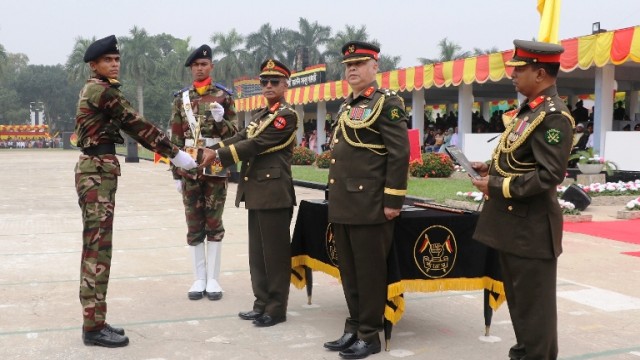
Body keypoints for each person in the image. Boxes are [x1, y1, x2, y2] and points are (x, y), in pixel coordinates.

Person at [74, 35, 198, 348]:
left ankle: (96, 320)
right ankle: (92, 327)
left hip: (97, 170)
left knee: (98, 246)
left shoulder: (99, 89)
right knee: (97, 248)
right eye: (108, 60)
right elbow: (135, 124)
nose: (115, 64)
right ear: (94, 65)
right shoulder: (102, 91)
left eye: (117, 59)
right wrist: (175, 153)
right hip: (97, 172)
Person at [470, 40, 574, 360]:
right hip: (513, 226)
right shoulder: (529, 110)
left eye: (520, 69)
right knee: (521, 307)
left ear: (540, 73)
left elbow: (549, 175)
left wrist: (496, 185)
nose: (513, 75)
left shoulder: (554, 116)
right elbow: (520, 159)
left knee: (535, 313)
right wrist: (489, 167)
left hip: (531, 230)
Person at [323, 41, 409, 359]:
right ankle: (354, 326)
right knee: (349, 270)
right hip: (345, 203)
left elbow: (399, 154)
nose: (353, 69)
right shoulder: (347, 106)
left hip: (371, 204)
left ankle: (369, 335)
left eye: (360, 64)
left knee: (370, 272)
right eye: (348, 65)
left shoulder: (388, 103)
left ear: (375, 67)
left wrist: (393, 201)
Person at [199, 59, 298, 327]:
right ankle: (261, 302)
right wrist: (212, 148)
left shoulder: (286, 116)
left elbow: (256, 144)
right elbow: (240, 137)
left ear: (285, 84)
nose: (267, 85)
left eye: (274, 81)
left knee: (275, 255)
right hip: (256, 191)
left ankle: (276, 308)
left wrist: (217, 155)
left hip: (275, 193)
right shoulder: (260, 116)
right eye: (264, 81)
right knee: (258, 254)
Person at [169, 44, 238, 301]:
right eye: (195, 65)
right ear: (191, 68)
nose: (200, 68)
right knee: (193, 221)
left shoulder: (223, 97)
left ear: (211, 67)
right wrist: (175, 173)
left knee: (214, 221)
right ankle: (198, 278)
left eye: (204, 64)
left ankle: (213, 279)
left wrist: (221, 120)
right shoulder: (181, 99)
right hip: (188, 165)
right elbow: (175, 138)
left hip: (216, 164)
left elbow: (235, 135)